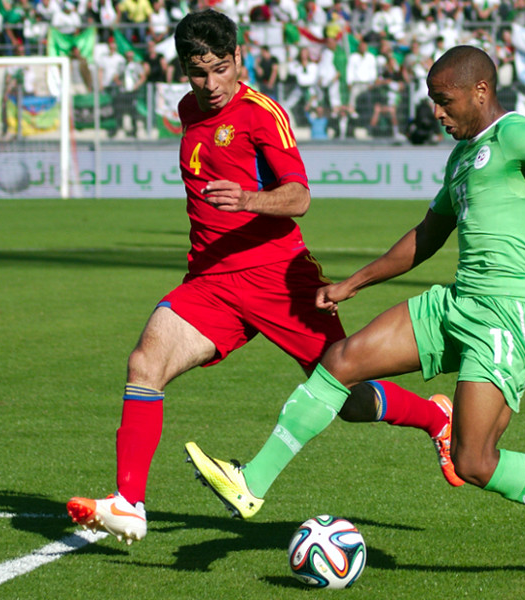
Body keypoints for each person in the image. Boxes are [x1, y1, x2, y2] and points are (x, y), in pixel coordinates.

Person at [188, 44, 525, 581]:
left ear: (481, 92)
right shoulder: (461, 157)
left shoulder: (519, 132)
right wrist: (353, 283)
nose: (437, 113)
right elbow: (427, 236)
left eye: (445, 102)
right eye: (432, 102)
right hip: (455, 302)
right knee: (341, 359)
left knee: (474, 463)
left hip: (505, 314)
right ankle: (252, 483)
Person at [67, 9, 463, 546]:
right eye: (197, 72)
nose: (209, 84)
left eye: (220, 69)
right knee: (145, 363)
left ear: (239, 59)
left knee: (344, 396)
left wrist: (248, 199)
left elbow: (299, 197)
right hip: (210, 282)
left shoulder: (261, 115)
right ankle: (129, 503)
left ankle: (435, 418)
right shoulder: (189, 109)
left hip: (278, 280)